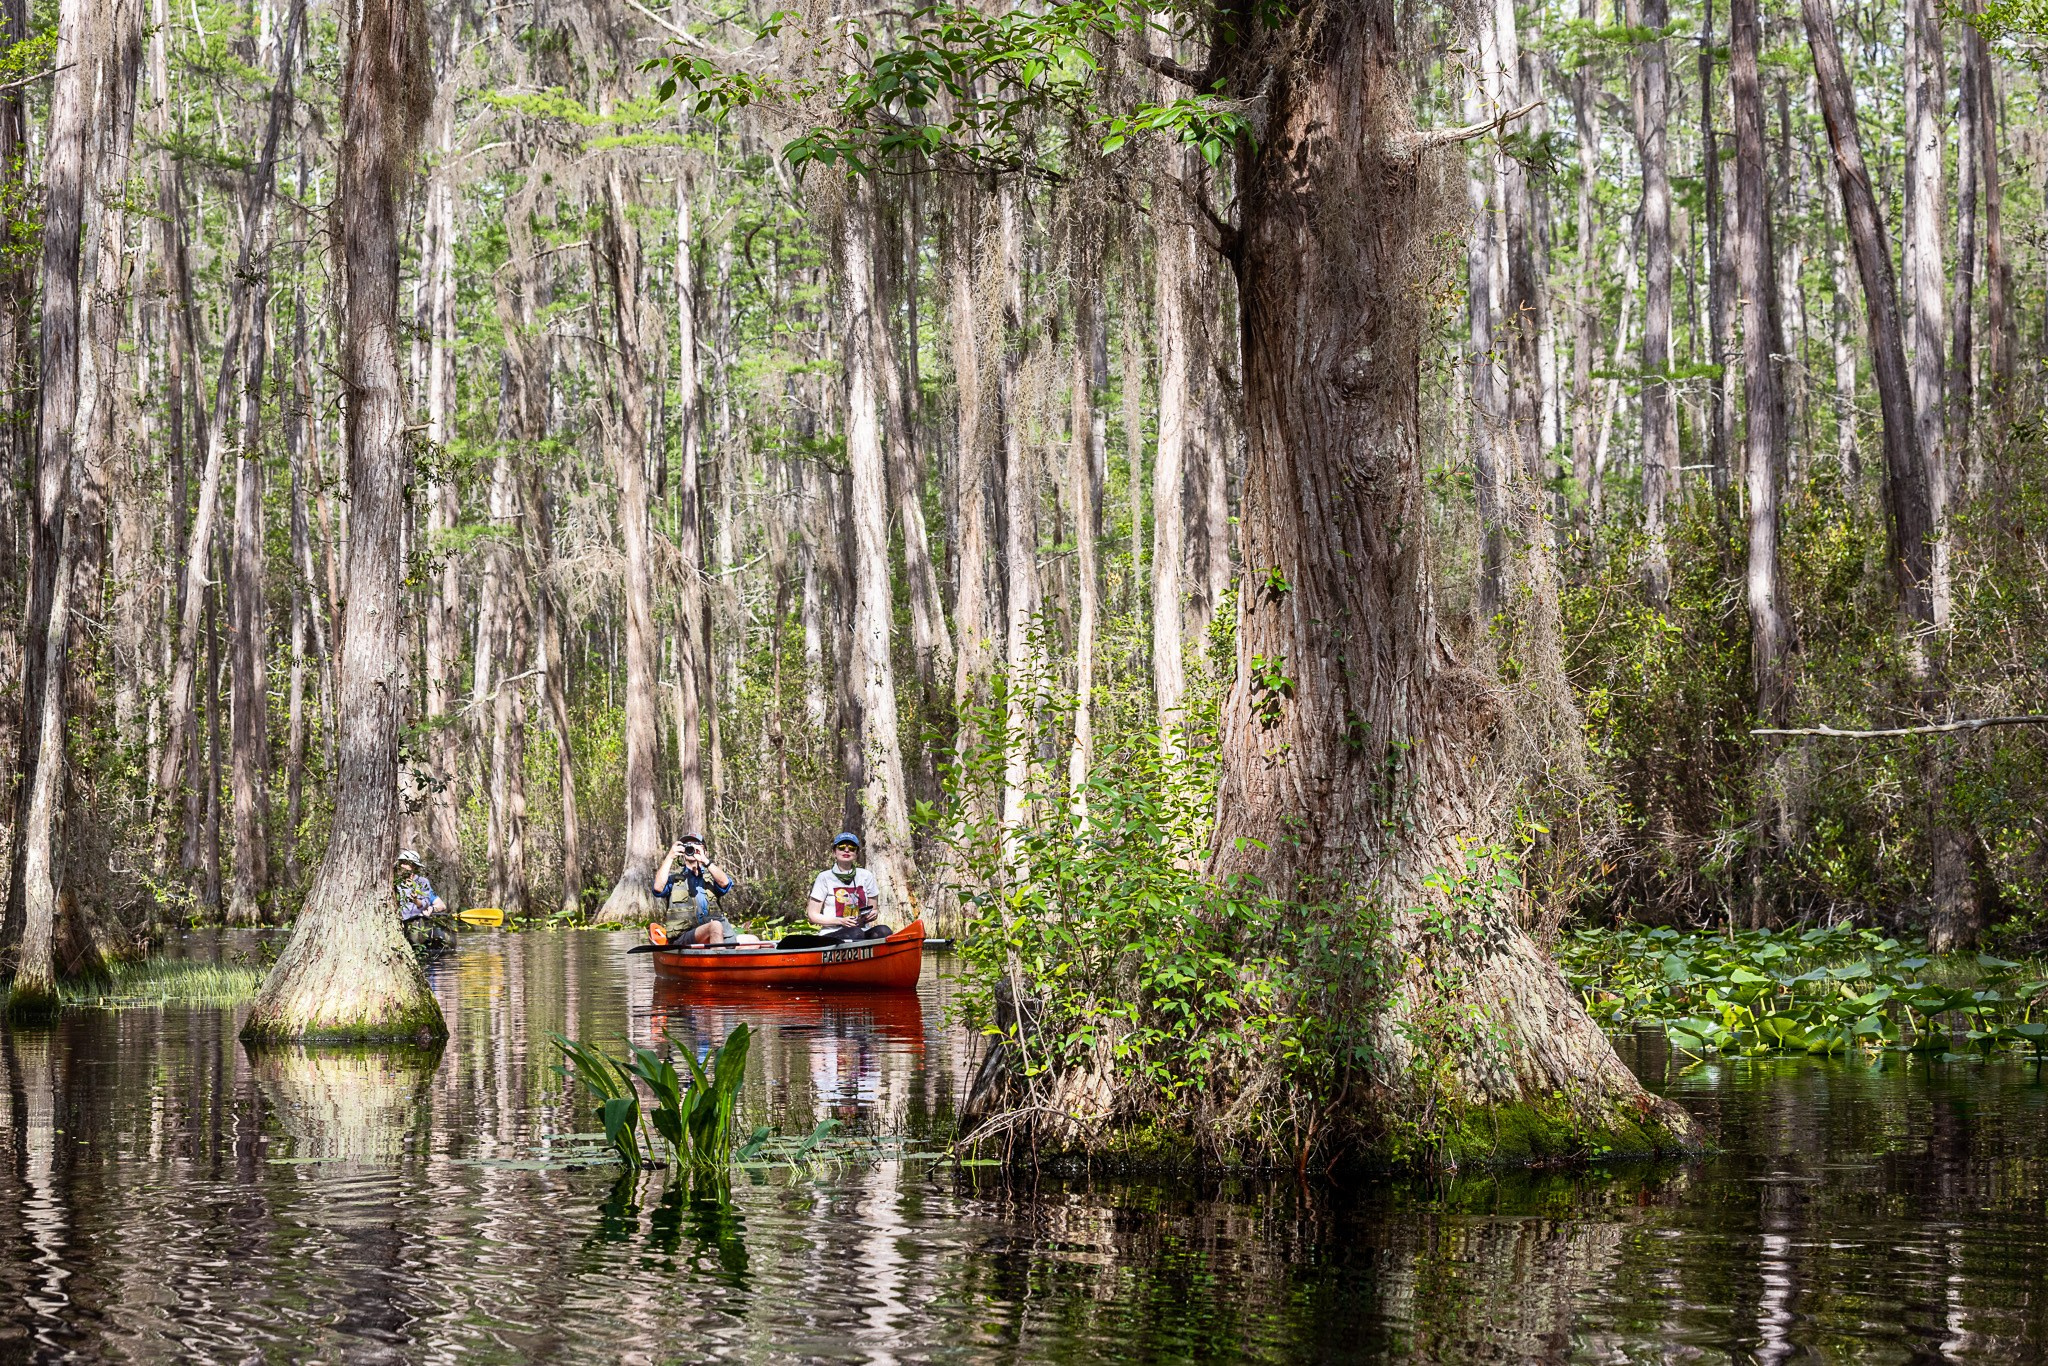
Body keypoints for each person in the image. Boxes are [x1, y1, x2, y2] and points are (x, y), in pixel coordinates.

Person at [653, 834, 738, 946]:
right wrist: (670, 857)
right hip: (684, 937)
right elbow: (658, 888)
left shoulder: (713, 876)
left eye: (696, 844)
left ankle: (719, 953)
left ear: (705, 851)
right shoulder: (673, 879)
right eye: (687, 845)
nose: (691, 847)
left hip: (716, 936)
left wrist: (705, 861)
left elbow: (725, 883)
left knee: (753, 940)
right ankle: (718, 956)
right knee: (715, 926)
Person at [806, 833, 891, 943]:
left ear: (856, 853)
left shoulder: (866, 876)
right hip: (833, 933)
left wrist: (872, 914)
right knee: (855, 932)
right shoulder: (824, 877)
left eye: (851, 848)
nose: (846, 850)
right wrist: (840, 921)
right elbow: (813, 915)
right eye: (841, 847)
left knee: (884, 931)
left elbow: (873, 909)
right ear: (834, 852)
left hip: (861, 931)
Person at [395, 849, 448, 924]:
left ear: (414, 866)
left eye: (405, 863)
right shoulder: (394, 882)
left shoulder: (422, 882)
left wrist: (431, 909)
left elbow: (441, 906)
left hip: (416, 924)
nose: (402, 866)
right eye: (401, 863)